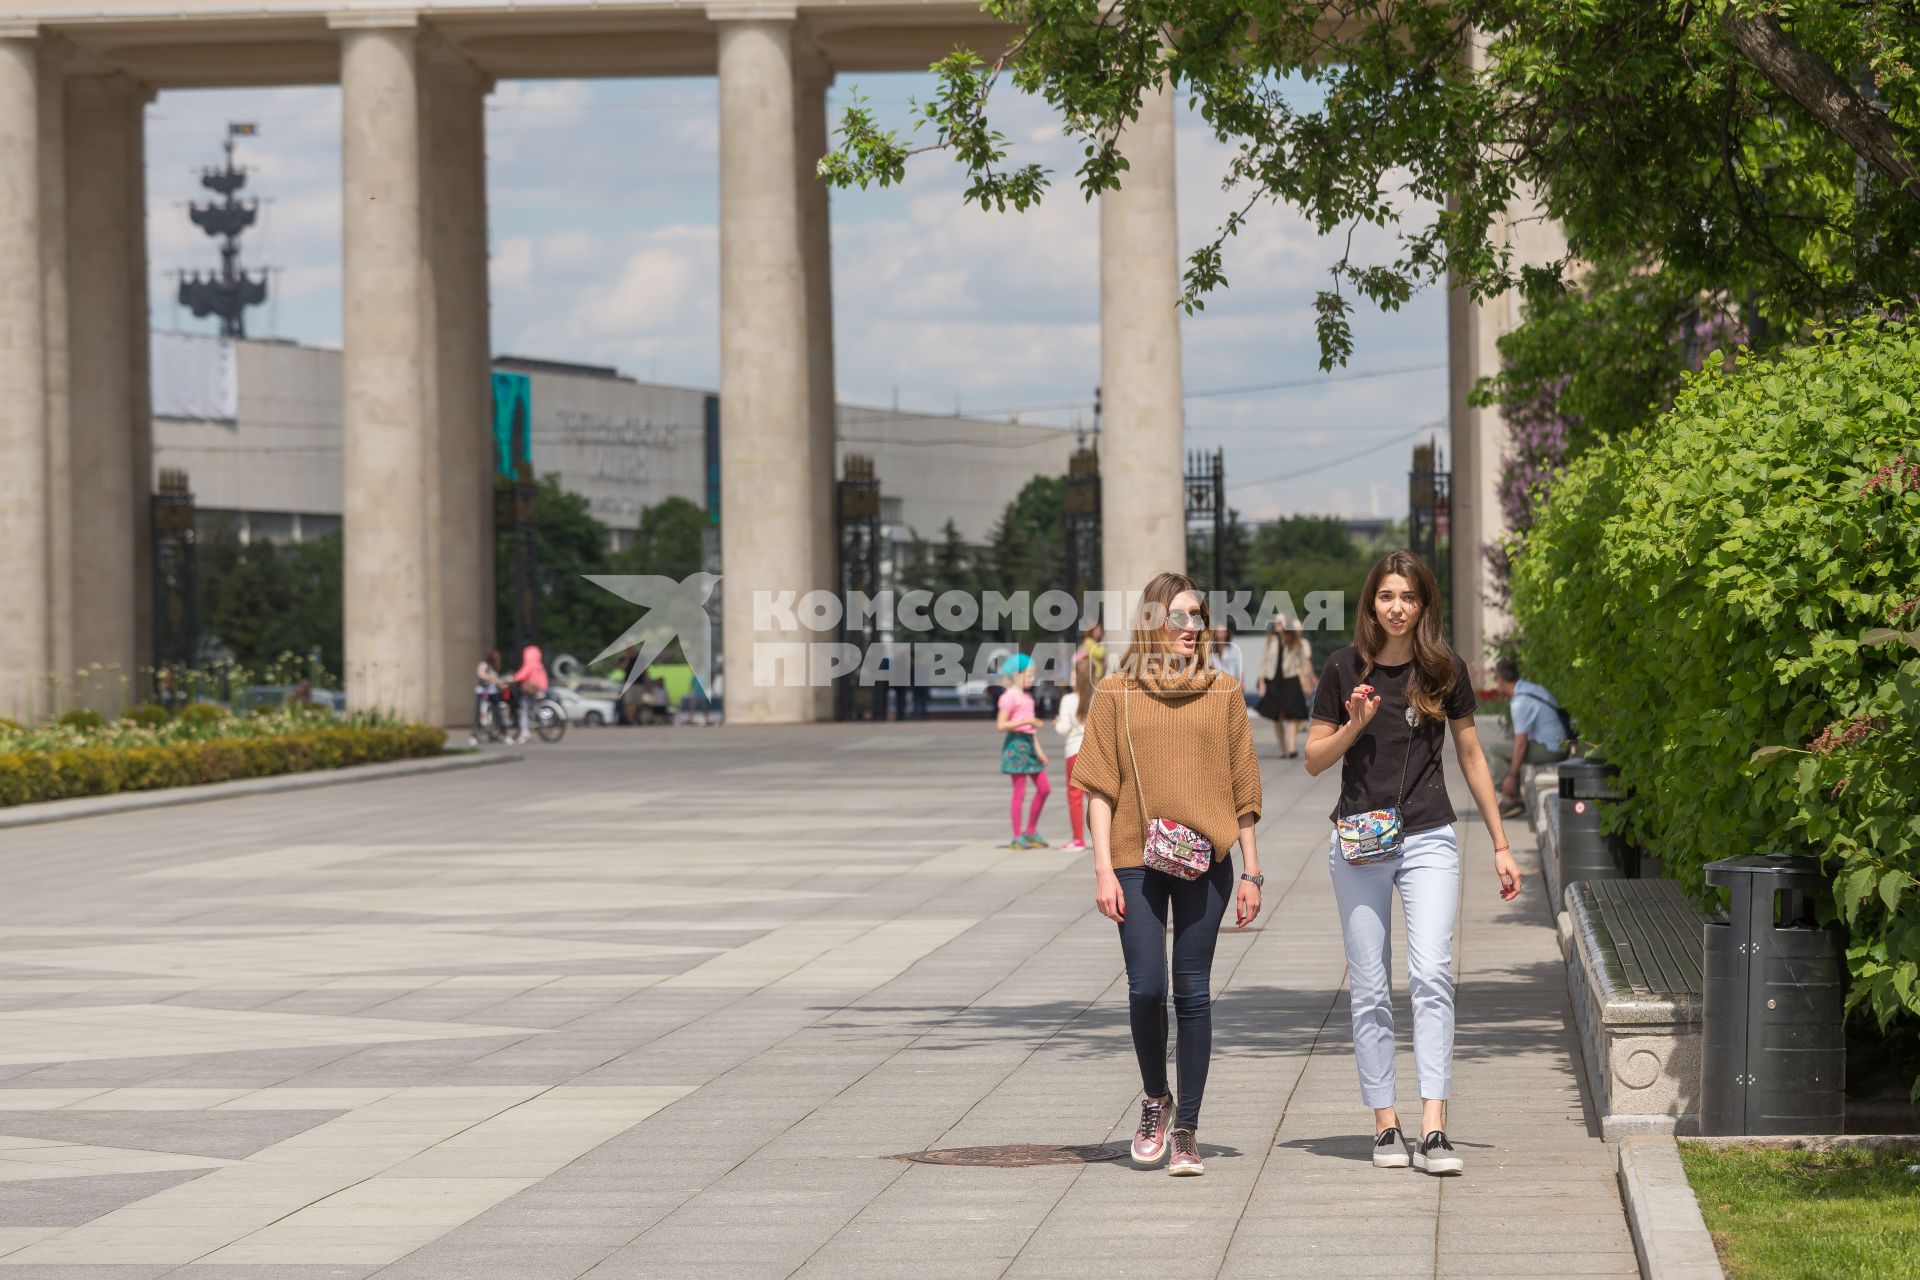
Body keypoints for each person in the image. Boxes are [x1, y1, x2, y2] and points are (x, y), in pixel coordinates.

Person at [1304, 549, 1520, 1177]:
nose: (1397, 607)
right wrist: (1354, 724)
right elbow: (1316, 759)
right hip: (1360, 841)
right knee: (1370, 986)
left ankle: (1433, 1129)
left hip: (1429, 837)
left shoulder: (1442, 669)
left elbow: (1472, 755)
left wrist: (1502, 844)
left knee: (1431, 976)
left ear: (1424, 604)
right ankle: (1384, 1125)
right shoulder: (1344, 668)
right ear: (1371, 602)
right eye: (1386, 596)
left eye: (1409, 597)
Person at [1069, 572, 1264, 1177]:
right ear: (1153, 622)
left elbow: (1243, 786)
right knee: (1146, 987)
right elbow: (1097, 787)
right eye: (1178, 616)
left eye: (1197, 616)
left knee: (1194, 991)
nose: (1189, 628)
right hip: (1132, 856)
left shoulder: (1224, 691)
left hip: (1207, 857)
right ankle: (1156, 1098)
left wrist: (1253, 870)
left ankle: (1187, 1130)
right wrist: (1102, 869)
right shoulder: (1116, 693)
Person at [1488, 657, 1572, 818]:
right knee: (1507, 745)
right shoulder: (1532, 689)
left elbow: (1521, 744)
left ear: (1501, 679)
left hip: (1552, 749)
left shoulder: (1520, 702)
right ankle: (1514, 798)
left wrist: (1511, 776)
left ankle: (1509, 798)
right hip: (1560, 744)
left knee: (1494, 751)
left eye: (1496, 679)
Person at [995, 653, 1050, 848]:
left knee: (1044, 789)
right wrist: (1027, 721)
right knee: (1020, 791)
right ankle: (1017, 835)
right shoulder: (1009, 697)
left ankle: (1031, 831)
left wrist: (1039, 750)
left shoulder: (1027, 697)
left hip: (1028, 744)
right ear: (1017, 674)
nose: (1031, 679)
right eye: (1029, 674)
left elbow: (1031, 730)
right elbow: (1001, 725)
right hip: (1016, 745)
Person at [1255, 615, 1316, 757]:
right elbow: (1264, 661)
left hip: (1291, 679)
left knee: (1291, 714)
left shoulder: (1295, 641)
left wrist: (1306, 682)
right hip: (1273, 680)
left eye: (1280, 621)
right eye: (1276, 621)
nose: (1277, 623)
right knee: (1277, 716)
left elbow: (1302, 662)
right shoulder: (1270, 640)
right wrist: (1262, 682)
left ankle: (1292, 748)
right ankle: (1282, 749)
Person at [1052, 654, 1096, 852]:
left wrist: (1057, 722)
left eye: (1072, 673)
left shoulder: (1068, 700)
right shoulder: (1097, 697)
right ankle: (1100, 839)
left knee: (1074, 796)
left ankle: (1078, 839)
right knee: (1094, 797)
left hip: (1074, 751)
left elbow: (1063, 729)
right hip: (1092, 752)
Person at [510, 644, 548, 744]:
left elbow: (522, 674)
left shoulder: (529, 664)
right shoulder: (540, 665)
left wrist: (513, 678)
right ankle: (545, 721)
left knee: (524, 709)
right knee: (539, 708)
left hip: (531, 690)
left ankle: (525, 732)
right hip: (541, 690)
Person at [470, 650, 506, 745]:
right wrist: (493, 678)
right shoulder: (483, 665)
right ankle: (474, 735)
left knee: (497, 711)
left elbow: (497, 682)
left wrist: (501, 684)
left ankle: (503, 733)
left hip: (493, 692)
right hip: (482, 691)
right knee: (478, 712)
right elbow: (481, 675)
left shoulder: (495, 668)